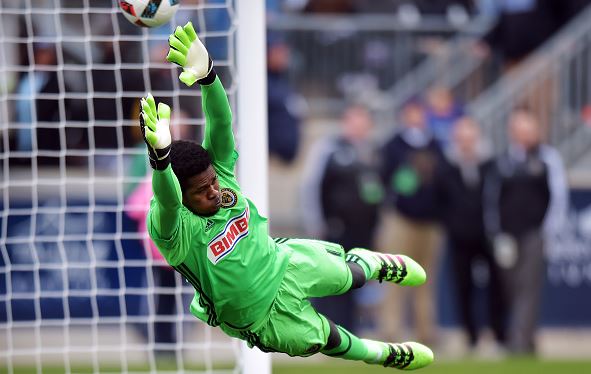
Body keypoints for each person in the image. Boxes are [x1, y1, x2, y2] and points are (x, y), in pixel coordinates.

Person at [139, 21, 434, 369]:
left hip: (286, 263)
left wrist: (208, 77)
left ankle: (380, 264)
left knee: (348, 276)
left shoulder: (221, 178)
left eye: (214, 183)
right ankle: (384, 354)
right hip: (258, 316)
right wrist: (160, 161)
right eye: (203, 192)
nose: (215, 192)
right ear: (184, 194)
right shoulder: (176, 229)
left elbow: (220, 125)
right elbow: (169, 200)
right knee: (325, 338)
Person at [483, 107, 568, 355]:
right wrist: (496, 234)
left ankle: (518, 342)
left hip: (534, 233)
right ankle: (527, 338)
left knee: (528, 288)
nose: (523, 133)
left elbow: (558, 197)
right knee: (510, 288)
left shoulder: (547, 158)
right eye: (518, 127)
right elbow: (491, 201)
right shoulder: (502, 162)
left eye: (527, 127)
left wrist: (549, 231)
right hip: (507, 236)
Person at [301, 104, 383, 332]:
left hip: (363, 233)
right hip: (334, 230)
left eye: (363, 122)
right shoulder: (328, 149)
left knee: (356, 282)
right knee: (331, 281)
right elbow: (311, 186)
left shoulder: (371, 152)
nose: (359, 126)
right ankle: (323, 332)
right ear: (345, 122)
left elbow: (376, 192)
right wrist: (317, 223)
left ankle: (350, 332)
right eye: (354, 121)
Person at [376, 98, 445, 346]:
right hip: (401, 220)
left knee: (425, 280)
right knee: (394, 276)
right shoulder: (393, 145)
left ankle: (426, 332)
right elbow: (381, 178)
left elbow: (444, 179)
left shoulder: (435, 145)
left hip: (430, 222)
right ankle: (390, 330)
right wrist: (395, 186)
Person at [435, 117, 507, 353]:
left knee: (496, 286)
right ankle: (472, 337)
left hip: (487, 234)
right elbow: (441, 200)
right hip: (459, 237)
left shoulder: (491, 164)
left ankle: (498, 334)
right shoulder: (447, 165)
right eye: (462, 138)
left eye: (470, 138)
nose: (466, 143)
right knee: (463, 286)